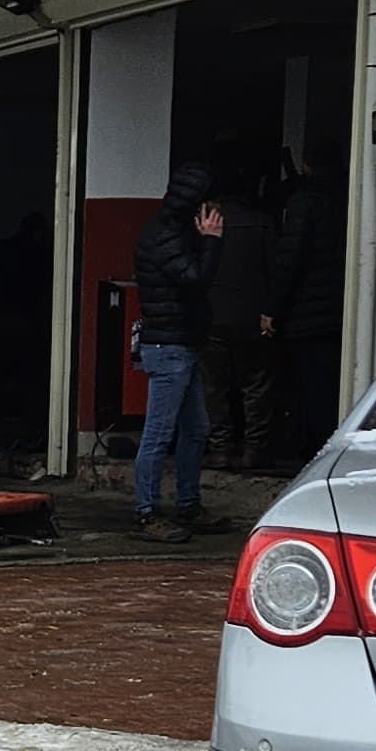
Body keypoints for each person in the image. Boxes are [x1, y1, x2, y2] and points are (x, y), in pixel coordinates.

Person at [128, 165, 224, 542]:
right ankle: (146, 512)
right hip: (169, 346)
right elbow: (197, 279)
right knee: (158, 433)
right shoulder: (166, 236)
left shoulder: (170, 230)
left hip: (180, 342)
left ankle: (188, 503)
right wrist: (213, 240)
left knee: (195, 429)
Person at [268, 139, 346, 461]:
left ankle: (312, 457)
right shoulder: (349, 194)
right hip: (338, 311)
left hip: (306, 315)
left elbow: (290, 259)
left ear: (306, 166)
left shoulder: (304, 201)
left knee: (308, 390)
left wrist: (272, 309)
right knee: (329, 388)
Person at [203, 168, 281, 471]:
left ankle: (220, 449)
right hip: (251, 315)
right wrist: (270, 309)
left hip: (212, 314)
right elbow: (276, 268)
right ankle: (255, 450)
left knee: (214, 387)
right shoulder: (262, 222)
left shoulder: (207, 221)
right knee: (257, 386)